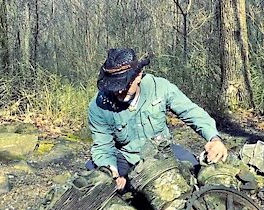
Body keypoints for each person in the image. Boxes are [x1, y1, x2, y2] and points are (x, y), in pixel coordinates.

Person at [86, 48, 227, 190]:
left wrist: (214, 139)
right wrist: (113, 174)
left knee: (197, 171)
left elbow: (191, 111)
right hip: (127, 158)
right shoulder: (99, 105)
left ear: (138, 75)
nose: (120, 91)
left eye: (125, 84)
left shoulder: (160, 87)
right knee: (100, 179)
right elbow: (103, 146)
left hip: (162, 152)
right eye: (114, 86)